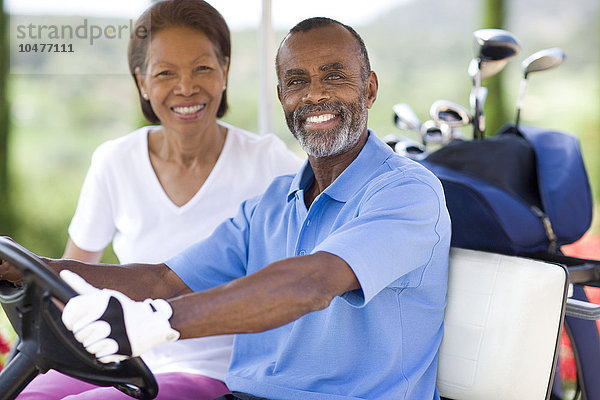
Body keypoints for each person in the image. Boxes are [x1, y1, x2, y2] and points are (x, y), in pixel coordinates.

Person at [1, 17, 451, 399]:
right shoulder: (272, 204)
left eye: (335, 76)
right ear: (282, 98)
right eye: (297, 82)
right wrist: (29, 267)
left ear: (369, 89)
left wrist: (157, 323)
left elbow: (313, 282)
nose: (315, 95)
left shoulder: (407, 192)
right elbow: (161, 279)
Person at [15, 1, 302, 399]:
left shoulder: (269, 162)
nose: (186, 87)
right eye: (166, 73)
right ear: (142, 82)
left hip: (218, 371)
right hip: (117, 352)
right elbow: (74, 277)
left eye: (202, 68)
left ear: (225, 71)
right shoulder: (114, 161)